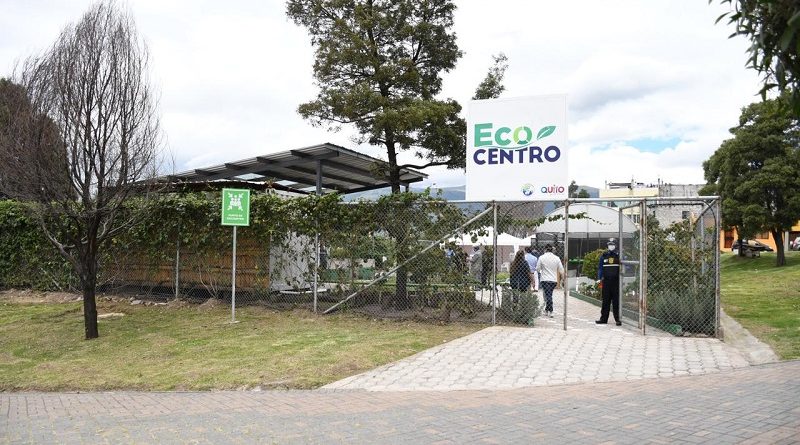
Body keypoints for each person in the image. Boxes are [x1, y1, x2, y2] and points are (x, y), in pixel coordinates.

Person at [596, 238, 622, 326]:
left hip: (616, 282)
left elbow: (624, 267)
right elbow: (600, 268)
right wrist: (599, 278)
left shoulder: (619, 255)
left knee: (616, 301)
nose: (611, 246)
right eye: (609, 244)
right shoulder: (604, 255)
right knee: (605, 301)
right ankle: (603, 319)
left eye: (612, 244)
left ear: (616, 245)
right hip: (606, 282)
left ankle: (618, 319)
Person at [535, 244, 564, 318]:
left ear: (545, 249)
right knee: (549, 294)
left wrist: (542, 270)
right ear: (552, 250)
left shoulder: (541, 257)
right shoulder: (557, 258)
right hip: (553, 280)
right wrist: (563, 279)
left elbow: (538, 268)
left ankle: (551, 311)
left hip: (545, 279)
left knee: (548, 295)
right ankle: (546, 309)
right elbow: (561, 269)